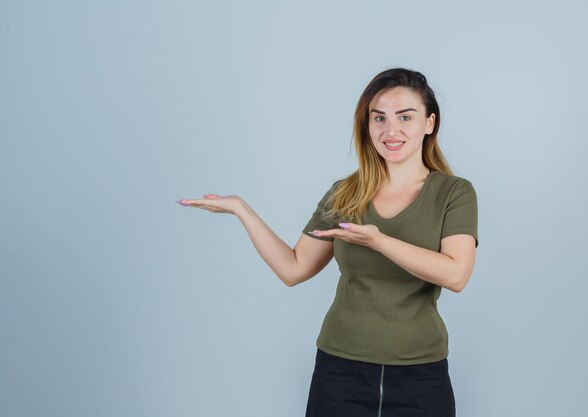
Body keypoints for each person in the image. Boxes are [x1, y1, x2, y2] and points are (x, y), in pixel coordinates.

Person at [176, 67, 478, 417]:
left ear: (429, 123)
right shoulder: (345, 193)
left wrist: (379, 241)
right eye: (378, 118)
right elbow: (293, 268)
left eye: (405, 117)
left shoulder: (455, 192)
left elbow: (456, 275)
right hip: (340, 372)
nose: (390, 130)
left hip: (420, 376)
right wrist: (242, 210)